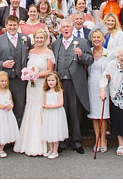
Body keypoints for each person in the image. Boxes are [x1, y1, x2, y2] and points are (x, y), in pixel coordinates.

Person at [51, 18, 92, 154]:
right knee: (61, 112)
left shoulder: (82, 42)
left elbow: (90, 59)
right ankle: (62, 142)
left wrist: (81, 55)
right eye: (63, 27)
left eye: (68, 27)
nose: (66, 29)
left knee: (75, 112)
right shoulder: (56, 44)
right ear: (60, 29)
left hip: (75, 82)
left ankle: (76, 141)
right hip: (60, 83)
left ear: (72, 28)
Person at [14, 29, 55, 156]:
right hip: (31, 86)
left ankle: (43, 145)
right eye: (37, 38)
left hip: (41, 85)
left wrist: (36, 75)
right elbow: (27, 67)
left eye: (41, 38)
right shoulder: (30, 52)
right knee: (30, 109)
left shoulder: (49, 52)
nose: (39, 40)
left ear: (45, 39)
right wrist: (28, 74)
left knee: (41, 110)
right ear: (34, 39)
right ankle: (27, 143)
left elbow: (50, 70)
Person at [0, 15, 30, 124]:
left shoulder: (26, 39)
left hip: (21, 80)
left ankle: (18, 137)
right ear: (6, 25)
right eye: (10, 25)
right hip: (4, 81)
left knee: (19, 108)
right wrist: (3, 64)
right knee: (5, 109)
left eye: (14, 25)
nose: (12, 27)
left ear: (18, 26)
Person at [86, 29, 113, 153]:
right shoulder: (89, 52)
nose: (96, 39)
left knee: (103, 114)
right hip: (91, 83)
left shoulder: (109, 53)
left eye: (99, 37)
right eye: (94, 37)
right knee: (94, 115)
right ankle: (97, 138)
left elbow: (112, 69)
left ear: (103, 39)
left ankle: (103, 139)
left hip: (104, 85)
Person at [0, 71, 20, 159]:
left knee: (5, 131)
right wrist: (0, 106)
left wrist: (10, 106)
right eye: (2, 81)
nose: (4, 83)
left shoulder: (8, 91)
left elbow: (12, 103)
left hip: (7, 115)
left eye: (5, 81)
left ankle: (1, 149)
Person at [41, 72, 69, 159]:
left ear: (57, 81)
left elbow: (60, 104)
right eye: (49, 80)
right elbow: (44, 102)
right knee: (49, 131)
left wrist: (49, 106)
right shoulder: (46, 91)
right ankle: (51, 149)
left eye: (52, 80)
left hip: (56, 113)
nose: (50, 82)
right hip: (48, 114)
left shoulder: (59, 90)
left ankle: (55, 151)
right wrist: (44, 106)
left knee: (55, 131)